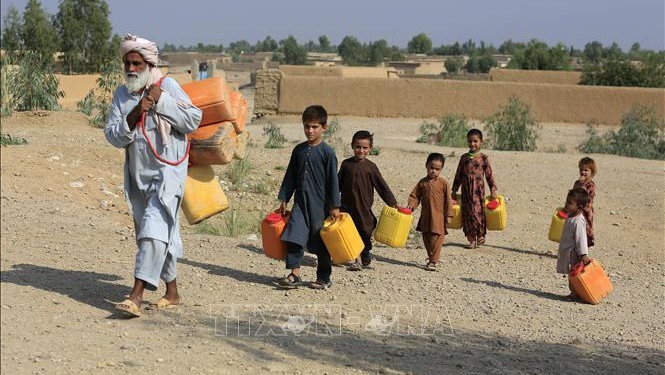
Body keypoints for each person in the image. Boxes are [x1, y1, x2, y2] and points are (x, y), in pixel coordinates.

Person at [105, 34, 202, 317]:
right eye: (127, 64)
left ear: (148, 64)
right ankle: (172, 292)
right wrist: (135, 114)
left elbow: (193, 119)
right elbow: (112, 136)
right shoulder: (121, 96)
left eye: (136, 63)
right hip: (138, 179)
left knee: (153, 230)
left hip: (168, 174)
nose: (131, 69)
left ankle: (136, 295)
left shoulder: (167, 86)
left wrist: (162, 103)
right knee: (160, 234)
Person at [275, 105, 341, 290]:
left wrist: (335, 205)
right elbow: (290, 176)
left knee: (321, 242)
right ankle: (294, 274)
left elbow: (333, 182)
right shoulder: (299, 150)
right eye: (307, 126)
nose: (310, 131)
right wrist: (284, 197)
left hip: (320, 207)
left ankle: (323, 277)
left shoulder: (327, 152)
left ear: (324, 128)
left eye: (314, 127)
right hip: (300, 205)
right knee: (294, 236)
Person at [338, 130, 398, 271]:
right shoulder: (346, 165)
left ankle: (365, 252)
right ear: (352, 146)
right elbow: (337, 184)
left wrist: (392, 202)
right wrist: (331, 201)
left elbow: (381, 186)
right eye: (358, 147)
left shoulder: (371, 167)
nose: (361, 150)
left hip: (364, 208)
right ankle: (357, 260)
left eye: (365, 148)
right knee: (352, 233)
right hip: (347, 207)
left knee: (366, 230)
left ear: (370, 148)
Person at [452, 129, 498, 249]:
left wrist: (493, 189)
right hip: (466, 191)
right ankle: (471, 239)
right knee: (467, 213)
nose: (472, 144)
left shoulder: (483, 158)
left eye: (475, 141)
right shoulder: (464, 158)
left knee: (478, 212)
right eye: (470, 141)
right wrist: (454, 189)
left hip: (478, 192)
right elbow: (458, 174)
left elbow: (489, 175)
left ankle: (481, 234)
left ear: (481, 142)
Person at [407, 153, 454, 271]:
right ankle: (431, 257)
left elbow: (449, 200)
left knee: (437, 238)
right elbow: (415, 196)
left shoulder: (444, 184)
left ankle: (434, 261)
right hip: (426, 216)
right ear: (426, 166)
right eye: (431, 168)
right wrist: (411, 206)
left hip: (439, 216)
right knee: (426, 236)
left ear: (441, 169)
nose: (434, 171)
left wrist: (449, 215)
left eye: (437, 169)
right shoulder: (422, 182)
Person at [557, 188, 592, 298]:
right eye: (566, 201)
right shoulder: (571, 216)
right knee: (571, 274)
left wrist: (583, 254)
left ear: (579, 207)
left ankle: (575, 293)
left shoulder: (578, 221)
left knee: (574, 274)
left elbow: (581, 238)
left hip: (573, 253)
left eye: (570, 203)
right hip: (568, 251)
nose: (566, 205)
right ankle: (575, 293)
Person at [572, 157, 597, 247]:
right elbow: (573, 195)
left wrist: (582, 186)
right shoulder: (577, 183)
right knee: (574, 232)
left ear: (592, 172)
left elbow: (587, 198)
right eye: (581, 169)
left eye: (586, 170)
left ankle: (583, 254)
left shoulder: (591, 185)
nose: (583, 172)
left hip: (585, 213)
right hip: (575, 211)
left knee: (584, 234)